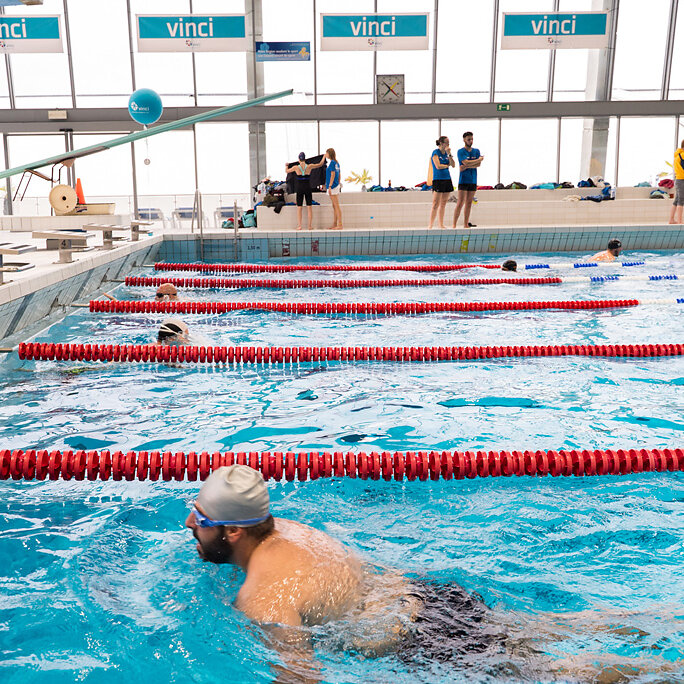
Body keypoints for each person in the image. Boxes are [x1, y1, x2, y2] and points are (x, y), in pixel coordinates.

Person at [185, 465, 676, 681]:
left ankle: (666, 675)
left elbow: (300, 676)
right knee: (540, 631)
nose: (189, 523)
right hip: (432, 596)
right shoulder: (293, 530)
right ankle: (660, 618)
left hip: (421, 637)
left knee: (561, 675)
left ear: (234, 531)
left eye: (201, 519)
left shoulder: (263, 596)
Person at [285, 152, 325, 231]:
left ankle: (300, 226)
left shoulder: (296, 167)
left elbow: (287, 171)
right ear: (305, 159)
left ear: (299, 159)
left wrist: (286, 165)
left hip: (299, 189)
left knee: (299, 208)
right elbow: (320, 164)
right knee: (309, 207)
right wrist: (323, 157)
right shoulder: (309, 166)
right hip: (308, 188)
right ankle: (309, 226)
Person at [452, 132, 484, 229]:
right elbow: (465, 162)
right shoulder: (460, 151)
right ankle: (454, 225)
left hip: (473, 180)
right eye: (468, 139)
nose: (471, 141)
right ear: (464, 140)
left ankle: (465, 224)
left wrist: (467, 165)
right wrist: (479, 160)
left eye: (472, 139)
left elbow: (478, 165)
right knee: (460, 202)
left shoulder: (476, 151)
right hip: (463, 180)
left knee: (469, 203)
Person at [427, 135, 455, 229]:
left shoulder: (447, 154)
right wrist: (446, 165)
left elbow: (453, 165)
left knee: (443, 203)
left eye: (449, 143)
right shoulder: (435, 152)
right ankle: (430, 225)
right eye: (447, 143)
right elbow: (438, 166)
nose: (448, 145)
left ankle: (441, 224)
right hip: (438, 179)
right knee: (435, 203)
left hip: (447, 179)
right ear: (441, 143)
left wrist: (449, 154)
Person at [324, 148, 343, 230]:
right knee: (334, 206)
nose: (325, 155)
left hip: (332, 186)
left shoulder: (332, 163)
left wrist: (330, 186)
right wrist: (338, 183)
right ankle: (335, 224)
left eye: (326, 153)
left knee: (336, 206)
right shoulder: (336, 163)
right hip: (336, 185)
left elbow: (333, 174)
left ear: (329, 154)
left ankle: (340, 224)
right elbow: (339, 174)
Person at [669, 139, 684, 225]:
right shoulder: (683, 155)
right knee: (681, 200)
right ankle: (680, 221)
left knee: (677, 200)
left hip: (678, 179)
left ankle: (671, 219)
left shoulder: (677, 155)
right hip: (682, 179)